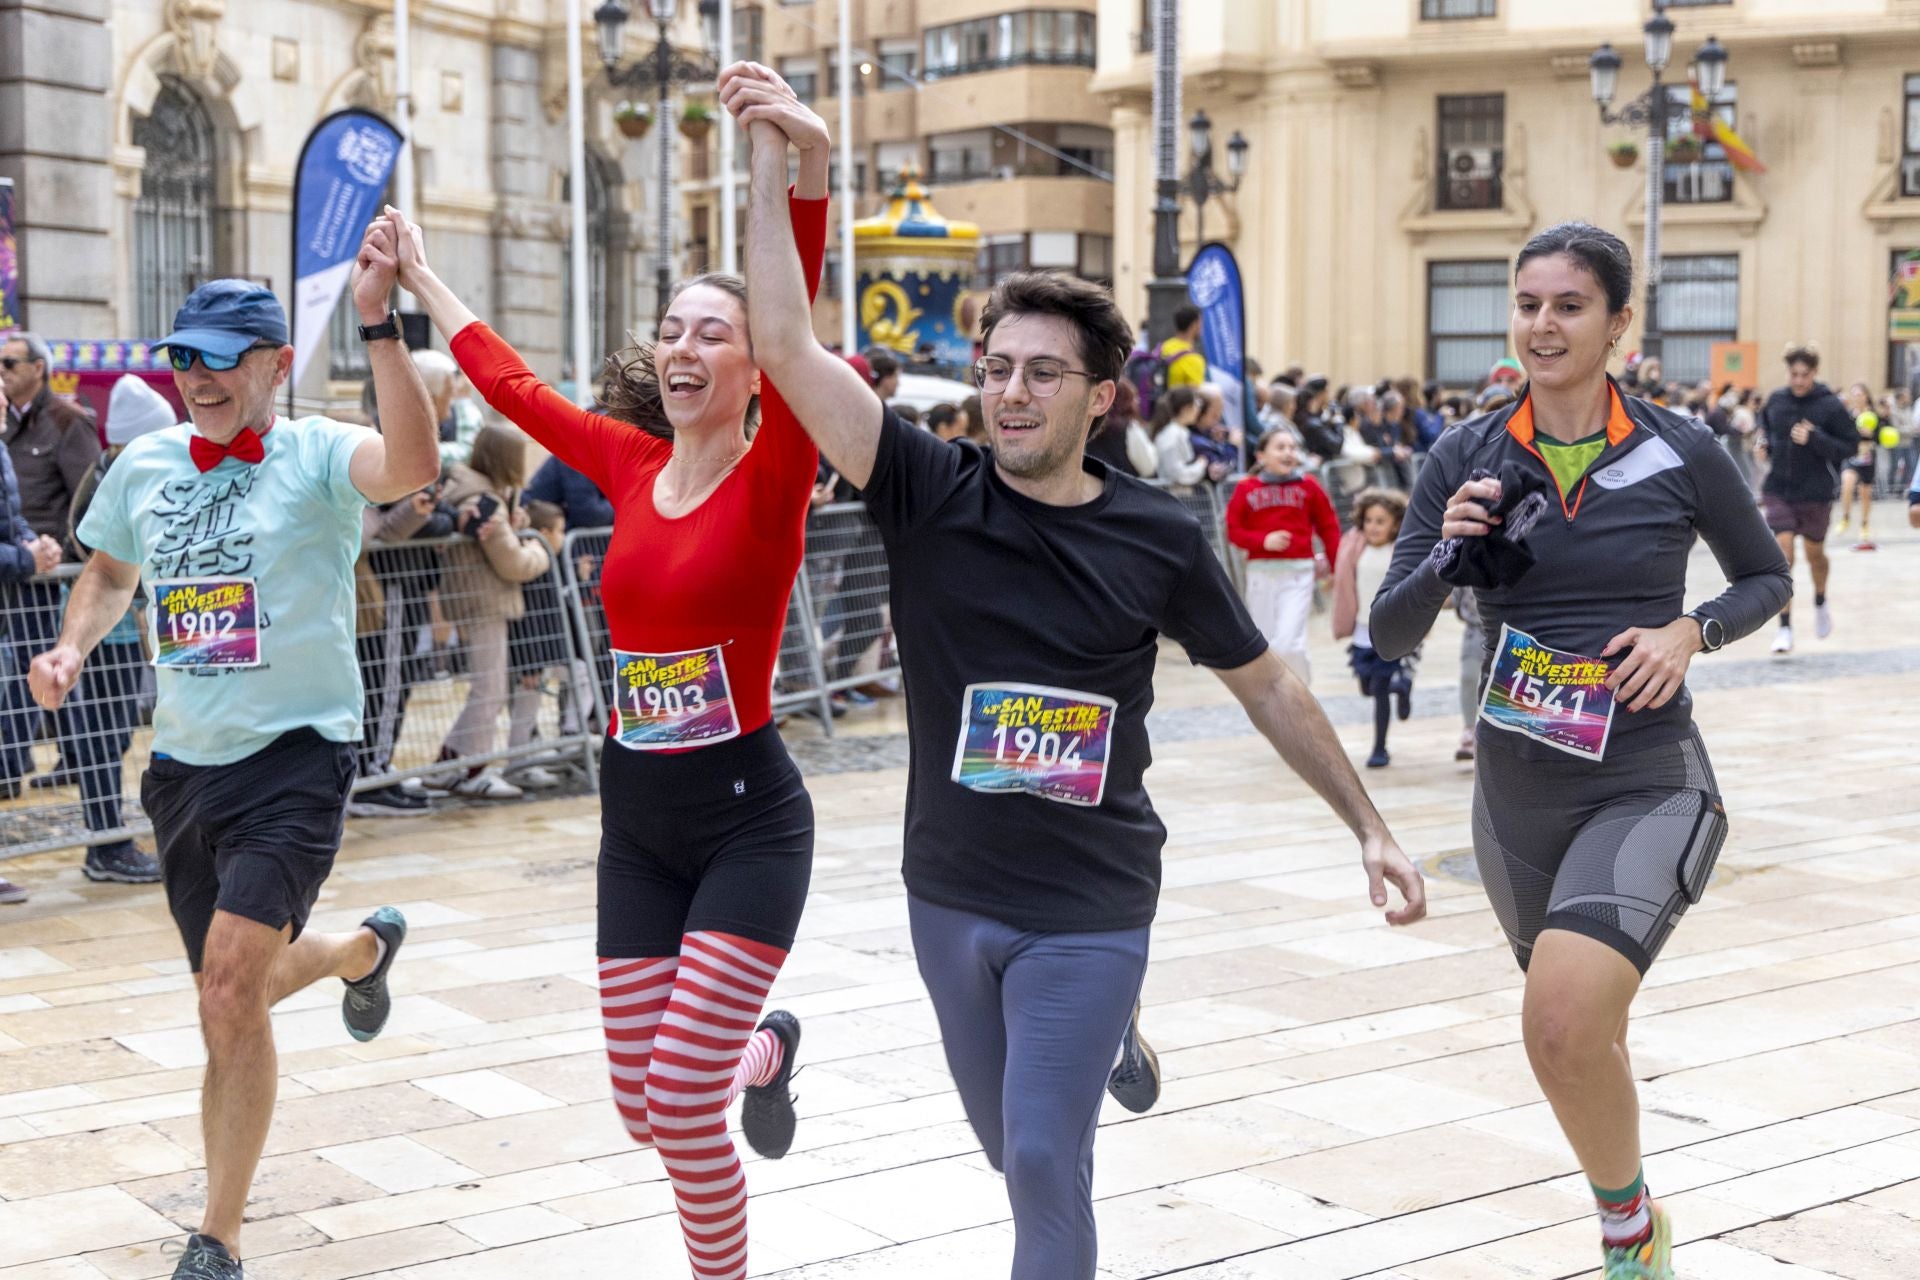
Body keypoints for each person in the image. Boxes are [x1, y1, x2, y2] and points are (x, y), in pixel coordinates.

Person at [733, 63, 1426, 1280]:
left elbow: (1266, 680)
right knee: (1012, 1150)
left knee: (1049, 1165)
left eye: (1039, 372)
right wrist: (786, 157)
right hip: (949, 887)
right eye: (997, 367)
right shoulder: (922, 484)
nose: (1007, 390)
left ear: (1102, 397)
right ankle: (1112, 1046)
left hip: (1094, 895)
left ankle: (1103, 1025)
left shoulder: (1158, 531)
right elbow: (781, 343)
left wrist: (1367, 823)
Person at [389, 72, 826, 1280]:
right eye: (672, 329)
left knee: (682, 1107)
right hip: (635, 818)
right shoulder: (631, 464)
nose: (684, 348)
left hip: (748, 818)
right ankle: (763, 1052)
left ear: (755, 369)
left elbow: (793, 309)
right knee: (648, 1108)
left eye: (714, 333)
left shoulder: (776, 473)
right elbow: (511, 387)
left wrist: (796, 164)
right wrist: (424, 278)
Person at [1369, 221, 1791, 1280]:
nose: (1542, 324)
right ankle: (1635, 1203)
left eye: (1568, 305)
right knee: (1576, 1035)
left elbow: (1765, 578)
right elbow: (1386, 632)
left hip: (1647, 779)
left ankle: (1625, 1229)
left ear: (1618, 322)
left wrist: (1690, 632)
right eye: (1527, 303)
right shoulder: (1462, 454)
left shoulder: (1681, 445)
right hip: (1516, 801)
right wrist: (1446, 558)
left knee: (1558, 1023)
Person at [29, 233, 440, 1279]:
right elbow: (111, 570)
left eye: (221, 357)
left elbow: (413, 464)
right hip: (184, 765)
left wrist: (382, 325)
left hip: (297, 755)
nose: (199, 378)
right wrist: (74, 643)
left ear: (271, 365)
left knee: (224, 991)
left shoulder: (313, 452)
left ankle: (217, 1232)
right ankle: (358, 952)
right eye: (185, 359)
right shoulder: (147, 462)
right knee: (235, 984)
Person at [1, 330, 101, 800]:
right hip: (15, 569)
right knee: (18, 678)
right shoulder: (10, 424)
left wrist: (56, 552)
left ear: (37, 369)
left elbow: (87, 501)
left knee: (52, 672)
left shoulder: (65, 420)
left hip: (44, 578)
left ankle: (91, 779)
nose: (1, 373)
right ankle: (11, 766)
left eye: (9, 364)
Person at [431, 425, 552, 799]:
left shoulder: (469, 491)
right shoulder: (485, 500)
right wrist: (542, 552)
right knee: (490, 689)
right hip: (485, 600)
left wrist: (520, 527)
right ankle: (472, 769)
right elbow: (512, 563)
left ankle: (448, 764)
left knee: (488, 687)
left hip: (475, 597)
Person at [1756, 344, 1855, 654]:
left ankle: (1821, 600)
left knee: (1815, 556)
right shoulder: (1776, 401)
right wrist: (1764, 445)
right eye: (1794, 374)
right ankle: (1784, 627)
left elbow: (1849, 446)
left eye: (1804, 374)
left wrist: (1815, 439)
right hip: (1779, 490)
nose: (1798, 380)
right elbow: (1767, 431)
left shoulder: (1829, 406)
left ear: (1814, 373)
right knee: (1782, 556)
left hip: (1815, 493)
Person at [1225, 428, 1338, 681]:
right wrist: (1263, 540)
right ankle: (1274, 698)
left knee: (1290, 644)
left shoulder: (1309, 485)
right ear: (1261, 456)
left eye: (1292, 447)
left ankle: (1301, 695)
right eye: (1280, 447)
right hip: (1260, 574)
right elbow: (1233, 531)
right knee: (1264, 645)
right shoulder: (1247, 488)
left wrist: (1337, 565)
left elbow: (1328, 526)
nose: (1288, 452)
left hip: (1299, 573)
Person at [1333, 488, 1415, 768]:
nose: (1373, 527)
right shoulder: (1355, 546)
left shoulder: (1401, 550)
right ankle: (1401, 686)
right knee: (1367, 687)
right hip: (1361, 630)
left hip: (1389, 631)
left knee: (1379, 690)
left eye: (1381, 521)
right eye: (1369, 520)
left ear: (1395, 524)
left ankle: (1380, 748)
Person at [1835, 381, 1878, 551]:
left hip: (1868, 457)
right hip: (1852, 456)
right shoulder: (1850, 415)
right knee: (1847, 484)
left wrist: (1872, 434)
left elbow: (1883, 435)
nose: (1856, 397)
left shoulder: (1873, 414)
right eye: (1854, 394)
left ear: (1866, 396)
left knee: (1865, 493)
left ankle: (1864, 524)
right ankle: (1845, 517)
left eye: (1859, 394)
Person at [1150, 386, 1210, 485]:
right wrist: (1200, 465)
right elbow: (1176, 474)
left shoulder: (1177, 432)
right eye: (1197, 403)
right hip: (1173, 495)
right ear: (1185, 408)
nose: (1199, 409)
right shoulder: (1172, 435)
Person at [1158, 303, 1207, 388]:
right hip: (1179, 400)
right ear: (1194, 325)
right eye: (1200, 324)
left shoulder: (1163, 347)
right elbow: (1194, 395)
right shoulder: (1194, 360)